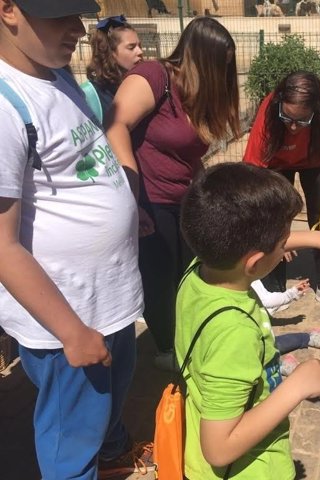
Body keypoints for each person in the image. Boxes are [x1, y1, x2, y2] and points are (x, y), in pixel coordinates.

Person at [0, 0, 154, 478]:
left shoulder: (56, 74)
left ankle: (111, 453)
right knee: (71, 437)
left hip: (106, 299)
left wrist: (124, 200)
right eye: (59, 16)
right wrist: (72, 333)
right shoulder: (6, 107)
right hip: (69, 316)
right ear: (8, 10)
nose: (80, 30)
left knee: (107, 400)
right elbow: (2, 246)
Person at [176, 162, 320, 480]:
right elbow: (218, 449)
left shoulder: (201, 268)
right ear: (254, 261)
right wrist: (296, 388)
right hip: (246, 469)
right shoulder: (234, 334)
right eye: (283, 243)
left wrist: (316, 240)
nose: (286, 247)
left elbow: (245, 248)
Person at [106, 17, 241, 371]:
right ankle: (167, 347)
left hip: (184, 198)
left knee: (190, 273)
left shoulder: (195, 93)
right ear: (200, 58)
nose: (223, 75)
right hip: (150, 198)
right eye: (220, 65)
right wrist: (132, 197)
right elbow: (115, 124)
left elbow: (189, 154)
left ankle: (188, 335)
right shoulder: (154, 77)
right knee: (161, 278)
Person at [243, 71, 320, 315]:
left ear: (315, 110)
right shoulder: (269, 112)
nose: (292, 126)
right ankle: (276, 289)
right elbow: (252, 176)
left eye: (301, 121)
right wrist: (278, 232)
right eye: (287, 117)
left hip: (317, 158)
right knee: (274, 219)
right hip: (278, 163)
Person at [83, 15, 143, 123]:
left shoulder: (140, 85)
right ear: (111, 52)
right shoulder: (90, 94)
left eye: (140, 46)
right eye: (131, 47)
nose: (140, 52)